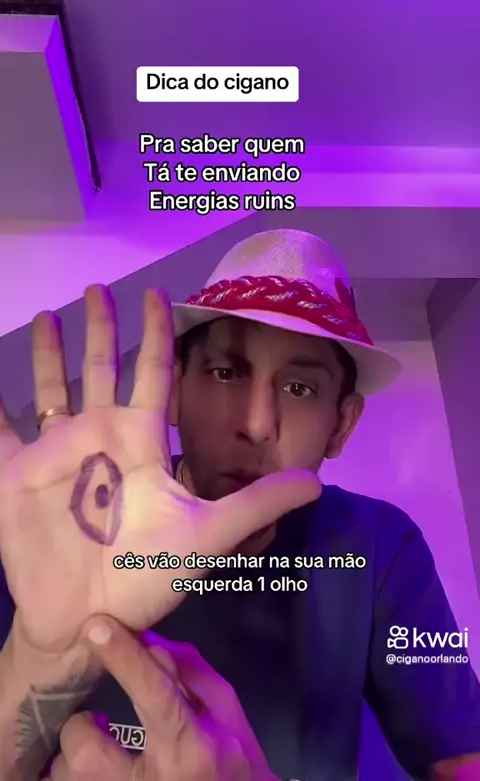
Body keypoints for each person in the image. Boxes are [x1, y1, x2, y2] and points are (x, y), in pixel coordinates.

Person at [0, 228, 479, 781]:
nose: (255, 424)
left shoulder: (381, 546)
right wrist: (36, 664)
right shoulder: (69, 518)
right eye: (225, 373)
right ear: (176, 390)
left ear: (340, 425)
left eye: (299, 389)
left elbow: (465, 761)